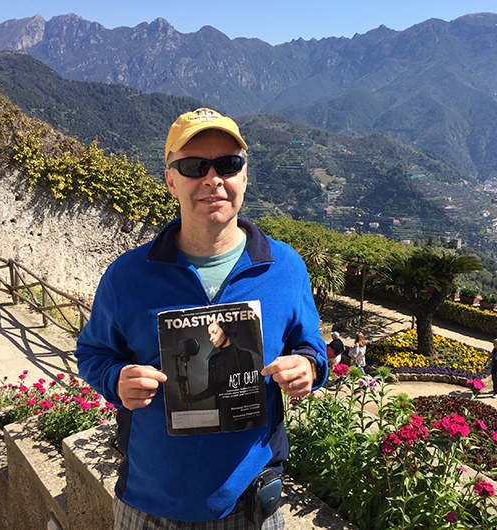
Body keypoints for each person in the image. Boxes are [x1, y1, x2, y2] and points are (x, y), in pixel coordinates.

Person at [74, 107, 328, 529]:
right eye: (194, 166)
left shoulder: (284, 267)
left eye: (228, 164)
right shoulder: (128, 275)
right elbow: (92, 352)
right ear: (171, 179)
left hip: (251, 507)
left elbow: (312, 348)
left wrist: (306, 367)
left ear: (244, 175)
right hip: (150, 504)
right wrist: (115, 379)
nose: (214, 179)